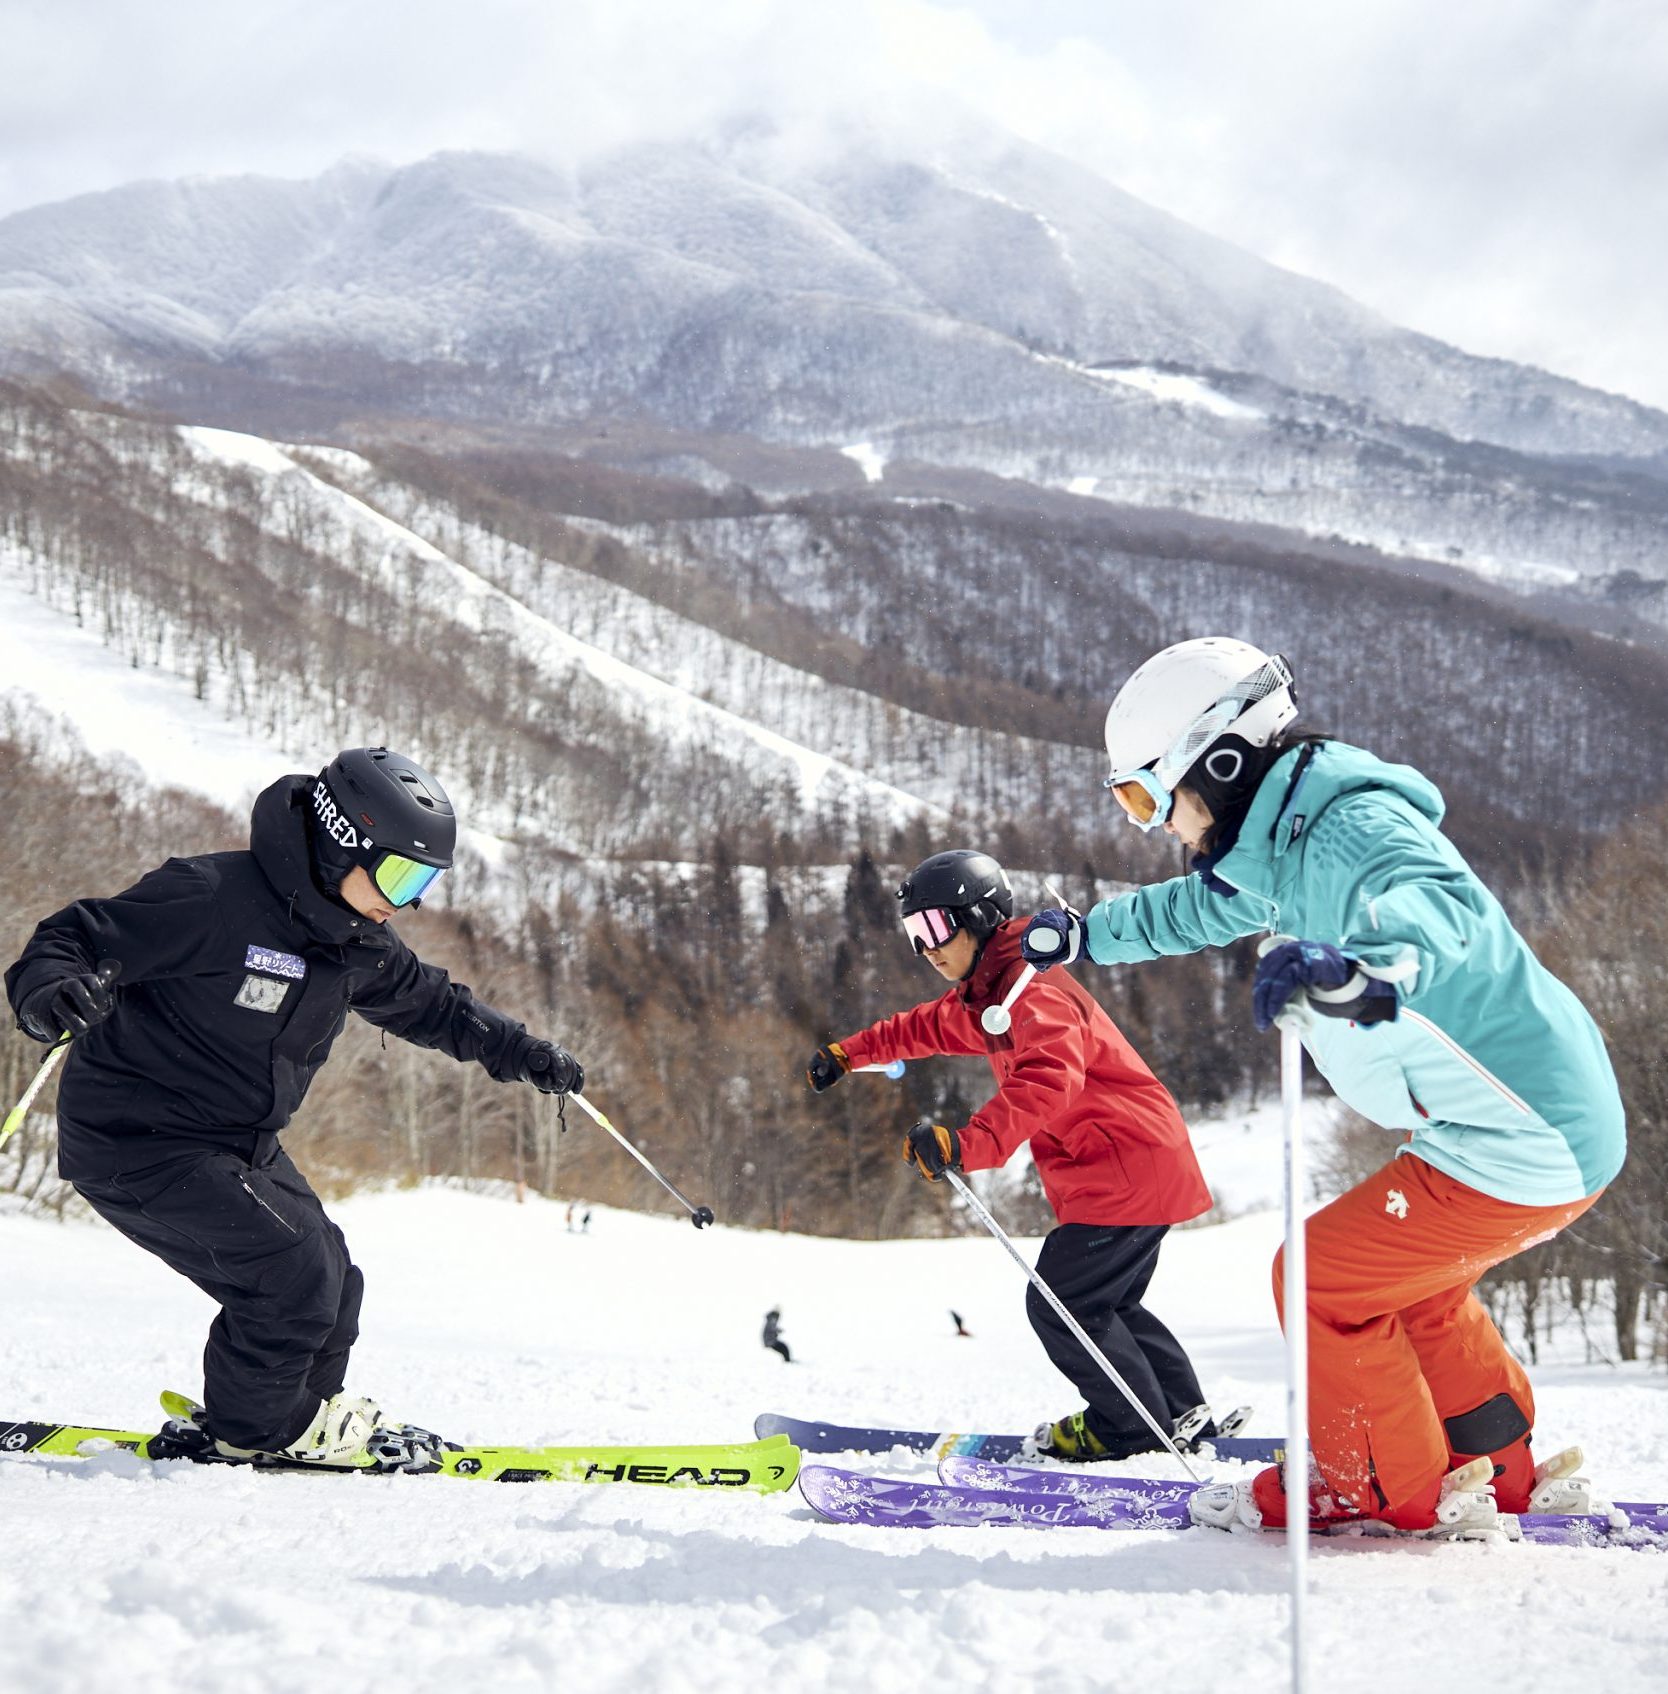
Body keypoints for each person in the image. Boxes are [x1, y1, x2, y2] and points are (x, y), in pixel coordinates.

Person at [1020, 636, 1625, 1537]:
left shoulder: (1351, 828)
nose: (1155, 825)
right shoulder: (1284, 842)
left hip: (1527, 1133)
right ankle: (1495, 1467)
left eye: (1150, 796)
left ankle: (1377, 1490)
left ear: (1219, 763)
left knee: (1316, 1281)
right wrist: (1084, 938)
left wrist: (1362, 973)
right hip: (1520, 1125)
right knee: (1409, 1286)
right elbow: (1198, 908)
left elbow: (1428, 905)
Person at [5, 747, 584, 1471]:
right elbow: (73, 938)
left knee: (334, 1278)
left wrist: (524, 1053)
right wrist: (50, 994)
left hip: (238, 1141)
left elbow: (436, 1007)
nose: (407, 902)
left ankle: (297, 1419)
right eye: (401, 874)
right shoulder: (211, 896)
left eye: (424, 882)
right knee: (291, 1273)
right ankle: (257, 1429)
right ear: (344, 839)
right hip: (138, 1139)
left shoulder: (356, 940)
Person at [807, 848, 1229, 1461]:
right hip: (1130, 1165)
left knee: (1063, 1303)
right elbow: (920, 1028)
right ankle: (1179, 1414)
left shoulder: (1033, 994)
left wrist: (967, 1144)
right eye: (912, 935)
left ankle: (1131, 1430)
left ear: (977, 918)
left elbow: (1048, 1082)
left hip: (1124, 1167)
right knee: (1106, 1303)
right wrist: (849, 1053)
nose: (926, 949)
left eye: (933, 928)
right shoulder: (991, 994)